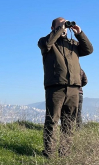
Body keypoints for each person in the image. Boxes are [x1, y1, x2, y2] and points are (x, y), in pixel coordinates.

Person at [38, 17, 93, 157]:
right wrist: (60, 29)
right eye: (61, 25)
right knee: (52, 121)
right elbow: (47, 43)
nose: (64, 28)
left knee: (69, 122)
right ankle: (48, 153)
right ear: (53, 28)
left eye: (65, 25)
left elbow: (89, 49)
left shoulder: (73, 44)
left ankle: (65, 153)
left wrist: (79, 33)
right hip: (55, 88)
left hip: (74, 89)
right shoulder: (46, 42)